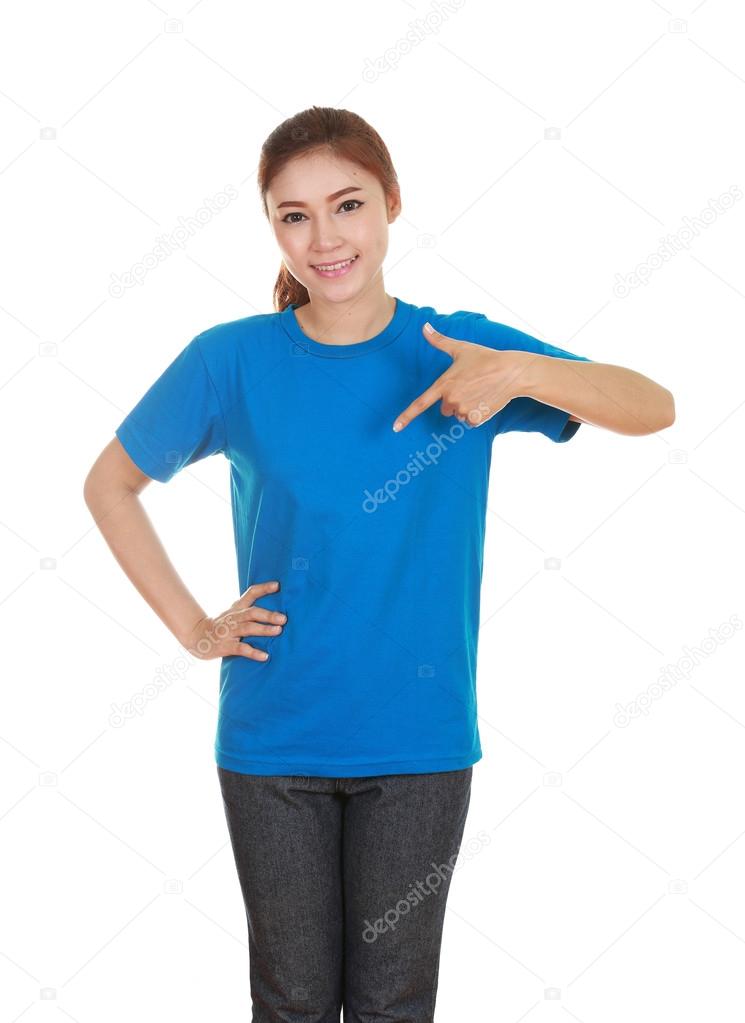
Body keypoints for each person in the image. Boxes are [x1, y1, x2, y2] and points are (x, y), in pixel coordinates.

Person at [83, 105, 675, 1022]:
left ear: (391, 204)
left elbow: (652, 405)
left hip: (420, 742)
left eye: (347, 204)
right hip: (273, 740)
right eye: (294, 215)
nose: (324, 238)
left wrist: (519, 374)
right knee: (291, 1002)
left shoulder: (459, 349)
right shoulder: (229, 361)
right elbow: (109, 485)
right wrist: (195, 629)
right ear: (272, 227)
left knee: (394, 1001)